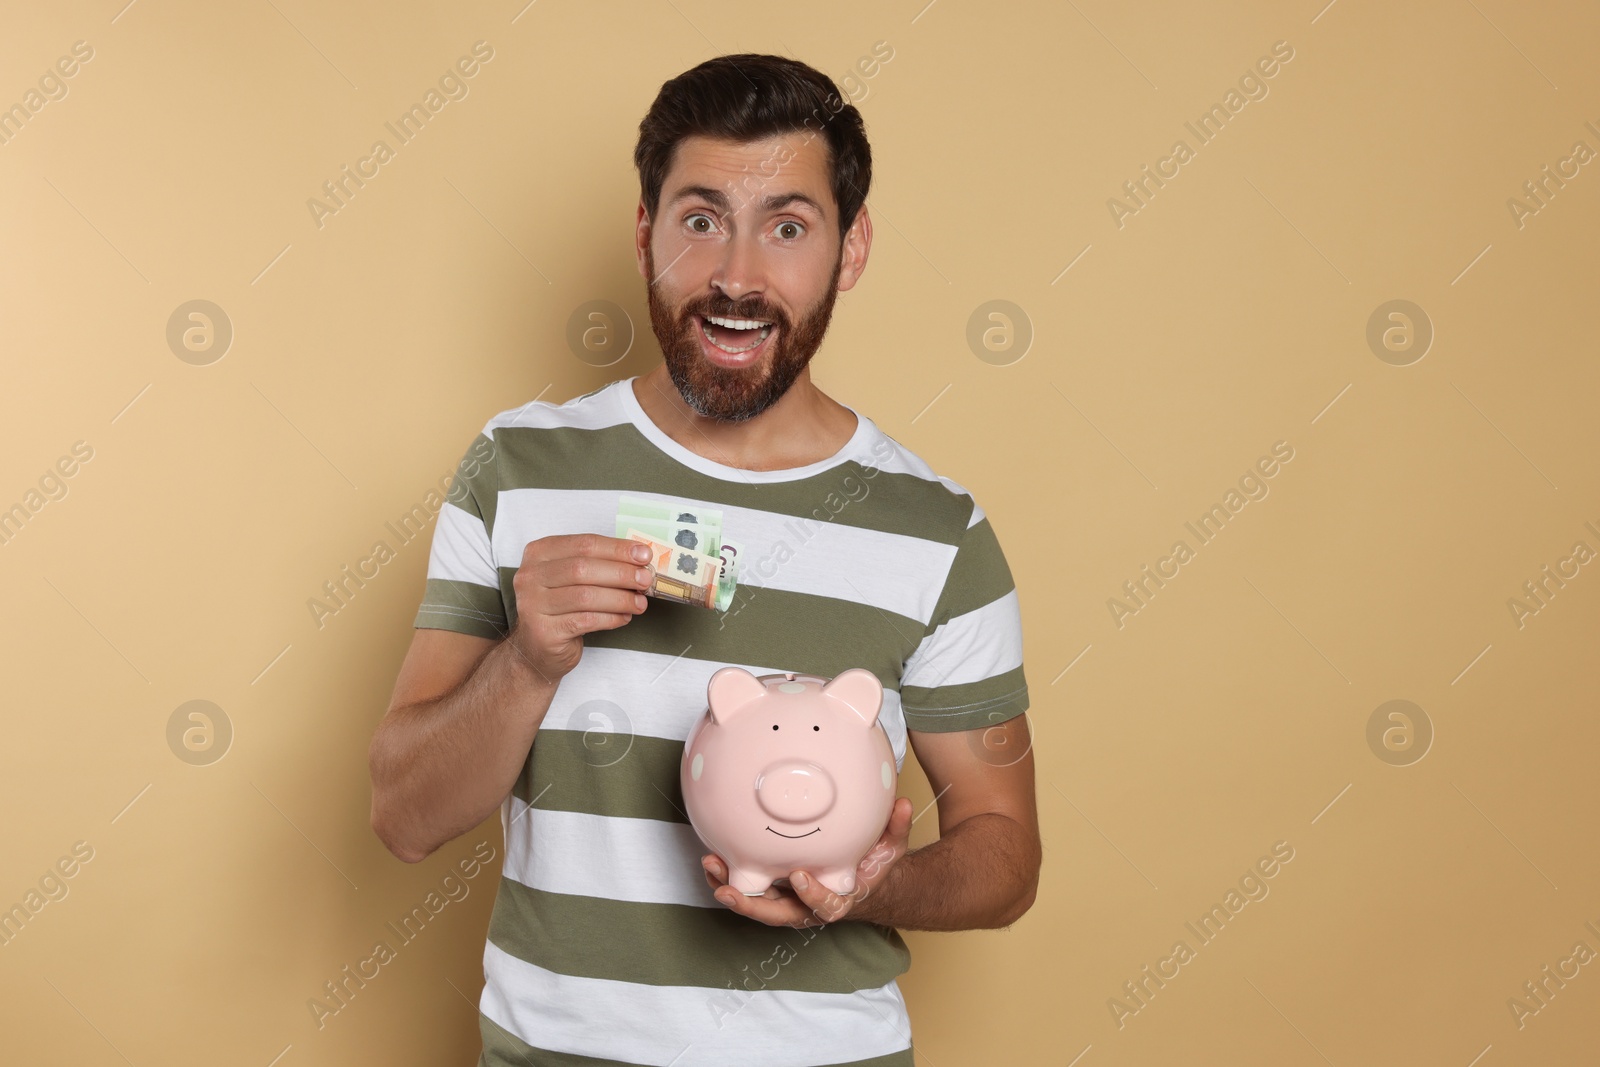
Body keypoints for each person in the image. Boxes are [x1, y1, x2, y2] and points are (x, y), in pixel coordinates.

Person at [368, 52, 1039, 1067]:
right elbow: (405, 816)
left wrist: (875, 887)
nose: (735, 275)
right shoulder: (517, 468)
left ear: (850, 248)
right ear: (644, 233)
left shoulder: (937, 530)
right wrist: (528, 660)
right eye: (698, 218)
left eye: (786, 226)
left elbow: (1007, 853)